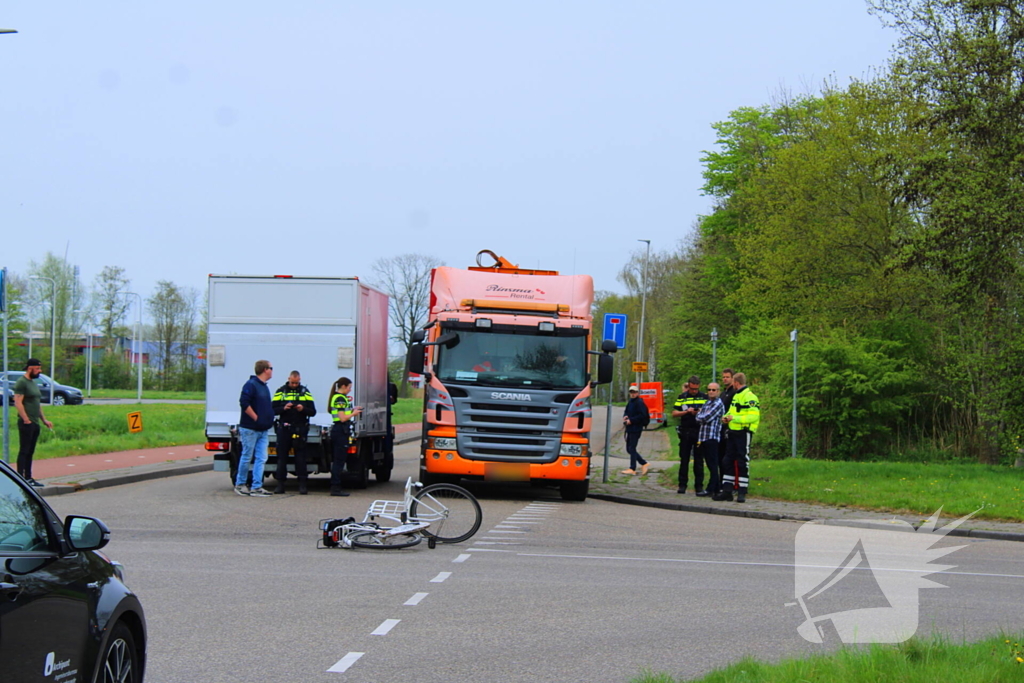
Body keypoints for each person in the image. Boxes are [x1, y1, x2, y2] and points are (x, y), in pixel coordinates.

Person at [713, 372, 760, 503]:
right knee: (727, 461)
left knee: (742, 461)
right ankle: (727, 491)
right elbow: (732, 411)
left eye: (733, 382)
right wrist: (726, 417)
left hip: (743, 433)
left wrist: (734, 418)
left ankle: (742, 491)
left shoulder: (750, 397)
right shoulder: (737, 396)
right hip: (732, 432)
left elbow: (753, 416)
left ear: (736, 383)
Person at [272, 371, 317, 495]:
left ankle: (302, 485)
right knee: (282, 458)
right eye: (292, 382)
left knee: (301, 458)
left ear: (300, 380)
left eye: (296, 383)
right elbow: (272, 409)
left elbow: (313, 411)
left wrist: (303, 409)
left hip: (300, 428)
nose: (294, 385)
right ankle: (280, 484)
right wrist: (283, 408)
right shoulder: (280, 391)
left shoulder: (305, 391)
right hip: (284, 428)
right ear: (288, 379)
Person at [235, 360, 275, 497]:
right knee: (247, 456)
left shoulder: (264, 386)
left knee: (261, 458)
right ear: (265, 370)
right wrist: (256, 418)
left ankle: (256, 486)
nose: (272, 370)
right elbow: (244, 403)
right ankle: (240, 484)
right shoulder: (251, 385)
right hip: (250, 428)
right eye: (271, 368)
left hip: (263, 429)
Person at [13, 359, 52, 486]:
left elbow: (36, 403)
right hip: (27, 422)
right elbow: (18, 402)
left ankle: (29, 478)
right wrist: (26, 419)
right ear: (30, 368)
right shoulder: (21, 383)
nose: (40, 371)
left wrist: (44, 419)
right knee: (24, 450)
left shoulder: (33, 383)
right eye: (38, 369)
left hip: (35, 422)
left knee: (30, 450)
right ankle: (21, 478)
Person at [670, 375, 707, 494]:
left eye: (696, 389)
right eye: (692, 389)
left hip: (699, 431)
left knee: (699, 460)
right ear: (689, 386)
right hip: (686, 431)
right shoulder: (682, 397)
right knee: (684, 459)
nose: (694, 391)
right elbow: (674, 413)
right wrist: (686, 412)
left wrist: (700, 412)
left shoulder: (704, 397)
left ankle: (699, 487)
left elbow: (709, 412)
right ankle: (682, 485)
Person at [328, 377, 363, 497]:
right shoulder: (339, 398)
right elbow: (342, 418)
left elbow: (343, 413)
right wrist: (354, 414)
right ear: (343, 386)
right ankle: (335, 487)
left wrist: (353, 410)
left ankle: (336, 486)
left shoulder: (339, 398)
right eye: (349, 387)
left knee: (339, 460)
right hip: (340, 430)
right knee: (339, 461)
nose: (350, 389)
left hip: (340, 430)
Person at [694, 382, 725, 497]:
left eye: (714, 390)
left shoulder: (718, 404)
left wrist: (700, 416)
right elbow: (698, 417)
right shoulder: (707, 403)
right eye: (709, 389)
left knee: (713, 465)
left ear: (718, 391)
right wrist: (700, 416)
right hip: (703, 437)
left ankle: (711, 489)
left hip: (712, 437)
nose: (711, 392)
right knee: (708, 463)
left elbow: (706, 417)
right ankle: (715, 488)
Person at [621, 384, 650, 475]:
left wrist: (631, 420)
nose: (633, 394)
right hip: (630, 428)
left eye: (634, 392)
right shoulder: (631, 402)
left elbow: (642, 415)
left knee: (632, 448)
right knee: (629, 449)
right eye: (631, 392)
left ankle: (632, 468)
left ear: (637, 393)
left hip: (636, 428)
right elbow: (627, 411)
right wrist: (625, 417)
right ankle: (644, 463)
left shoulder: (639, 402)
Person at [717, 368, 736, 478]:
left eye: (727, 377)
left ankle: (730, 482)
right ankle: (722, 482)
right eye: (723, 377)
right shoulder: (723, 393)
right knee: (721, 456)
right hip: (721, 428)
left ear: (733, 378)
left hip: (731, 429)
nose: (725, 379)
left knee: (729, 458)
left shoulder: (735, 393)